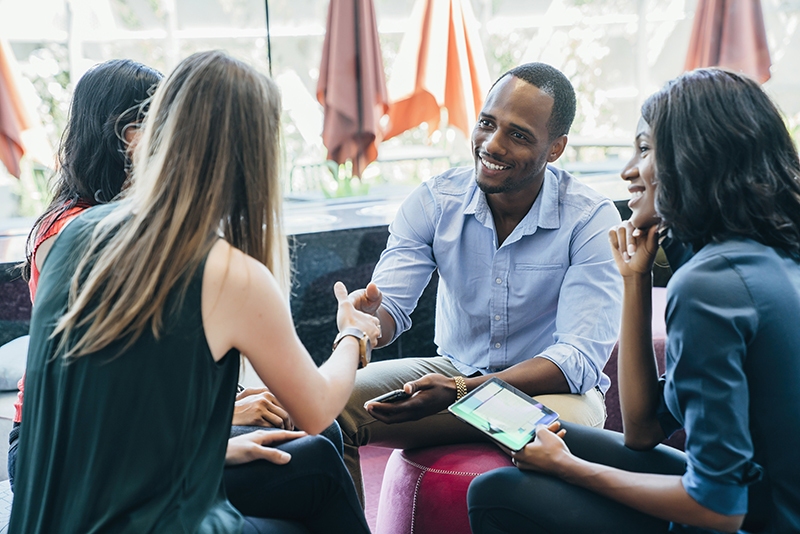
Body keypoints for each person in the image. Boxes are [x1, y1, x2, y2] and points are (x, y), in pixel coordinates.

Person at [9, 50, 379, 534]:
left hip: (56, 508)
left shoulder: (79, 234)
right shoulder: (231, 272)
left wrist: (206, 448)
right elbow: (316, 407)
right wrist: (351, 335)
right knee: (321, 467)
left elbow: (110, 401)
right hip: (139, 511)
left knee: (309, 457)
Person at [467, 68, 800, 533]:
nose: (627, 170)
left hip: (750, 520)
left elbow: (719, 510)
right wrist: (635, 281)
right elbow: (642, 430)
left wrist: (568, 468)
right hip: (764, 498)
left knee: (497, 493)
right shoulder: (769, 256)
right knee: (554, 434)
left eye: (644, 149)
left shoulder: (712, 285)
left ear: (695, 158)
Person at [338, 62, 623, 500]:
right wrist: (368, 322)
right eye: (487, 123)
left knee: (539, 435)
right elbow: (389, 306)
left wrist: (461, 392)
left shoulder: (589, 218)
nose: (492, 144)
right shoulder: (435, 200)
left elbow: (577, 360)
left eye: (519, 134)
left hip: (553, 396)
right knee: (325, 403)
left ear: (555, 148)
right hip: (453, 371)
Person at [10, 58, 164, 490]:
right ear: (130, 138)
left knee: (313, 443)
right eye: (167, 124)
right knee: (313, 458)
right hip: (59, 448)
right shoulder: (76, 232)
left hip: (119, 434)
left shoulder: (122, 220)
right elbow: (104, 382)